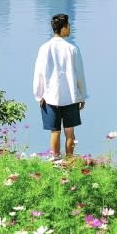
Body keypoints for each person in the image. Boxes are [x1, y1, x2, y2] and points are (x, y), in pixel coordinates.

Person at [32, 12, 87, 158]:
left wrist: (38, 95)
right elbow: (79, 74)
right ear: (62, 28)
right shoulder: (72, 49)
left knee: (55, 131)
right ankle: (69, 161)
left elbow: (39, 73)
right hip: (70, 96)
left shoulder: (44, 48)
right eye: (68, 26)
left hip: (50, 97)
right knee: (70, 132)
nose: (70, 29)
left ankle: (55, 161)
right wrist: (82, 95)